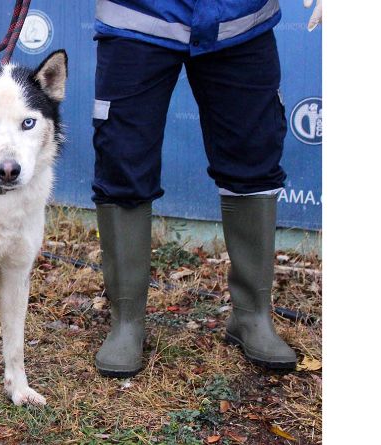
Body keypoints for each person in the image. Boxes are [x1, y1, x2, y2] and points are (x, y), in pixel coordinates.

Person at [89, 0, 322, 377]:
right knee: (123, 159)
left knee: (253, 154)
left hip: (240, 18)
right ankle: (126, 321)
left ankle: (252, 315)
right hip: (139, 16)